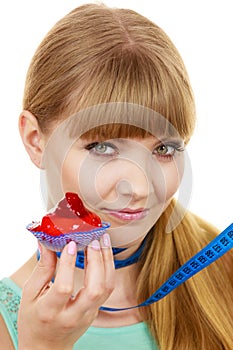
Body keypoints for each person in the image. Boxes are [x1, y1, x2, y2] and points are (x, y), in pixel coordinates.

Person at [0, 3, 232, 350]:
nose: (139, 189)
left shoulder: (226, 275)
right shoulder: (9, 324)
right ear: (36, 141)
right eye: (102, 147)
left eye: (164, 149)